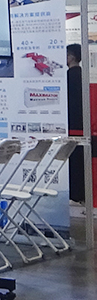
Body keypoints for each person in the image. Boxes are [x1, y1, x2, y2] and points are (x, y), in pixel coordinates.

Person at [67, 43, 85, 203]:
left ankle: (75, 194)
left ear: (71, 57)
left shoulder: (68, 77)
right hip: (82, 124)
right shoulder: (83, 76)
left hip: (71, 125)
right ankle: (81, 194)